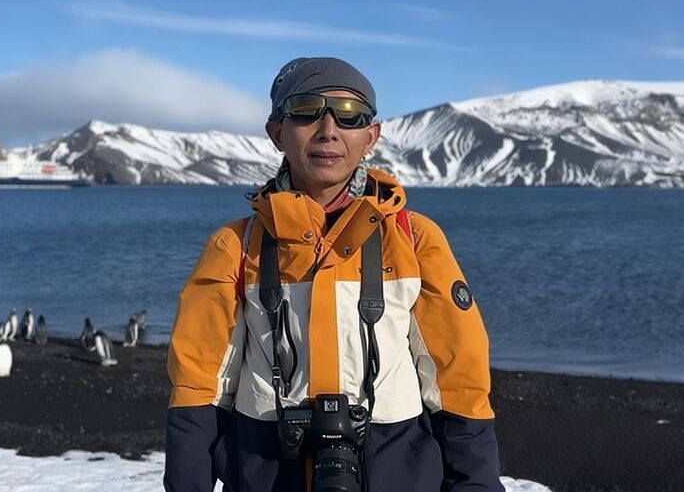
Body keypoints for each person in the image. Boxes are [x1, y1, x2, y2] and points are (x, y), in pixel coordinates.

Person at [165, 57, 503, 492]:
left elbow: (458, 382)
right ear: (277, 132)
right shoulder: (234, 247)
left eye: (350, 115)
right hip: (268, 475)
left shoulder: (415, 240)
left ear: (371, 136)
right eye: (306, 111)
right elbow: (199, 386)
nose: (329, 130)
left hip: (396, 474)